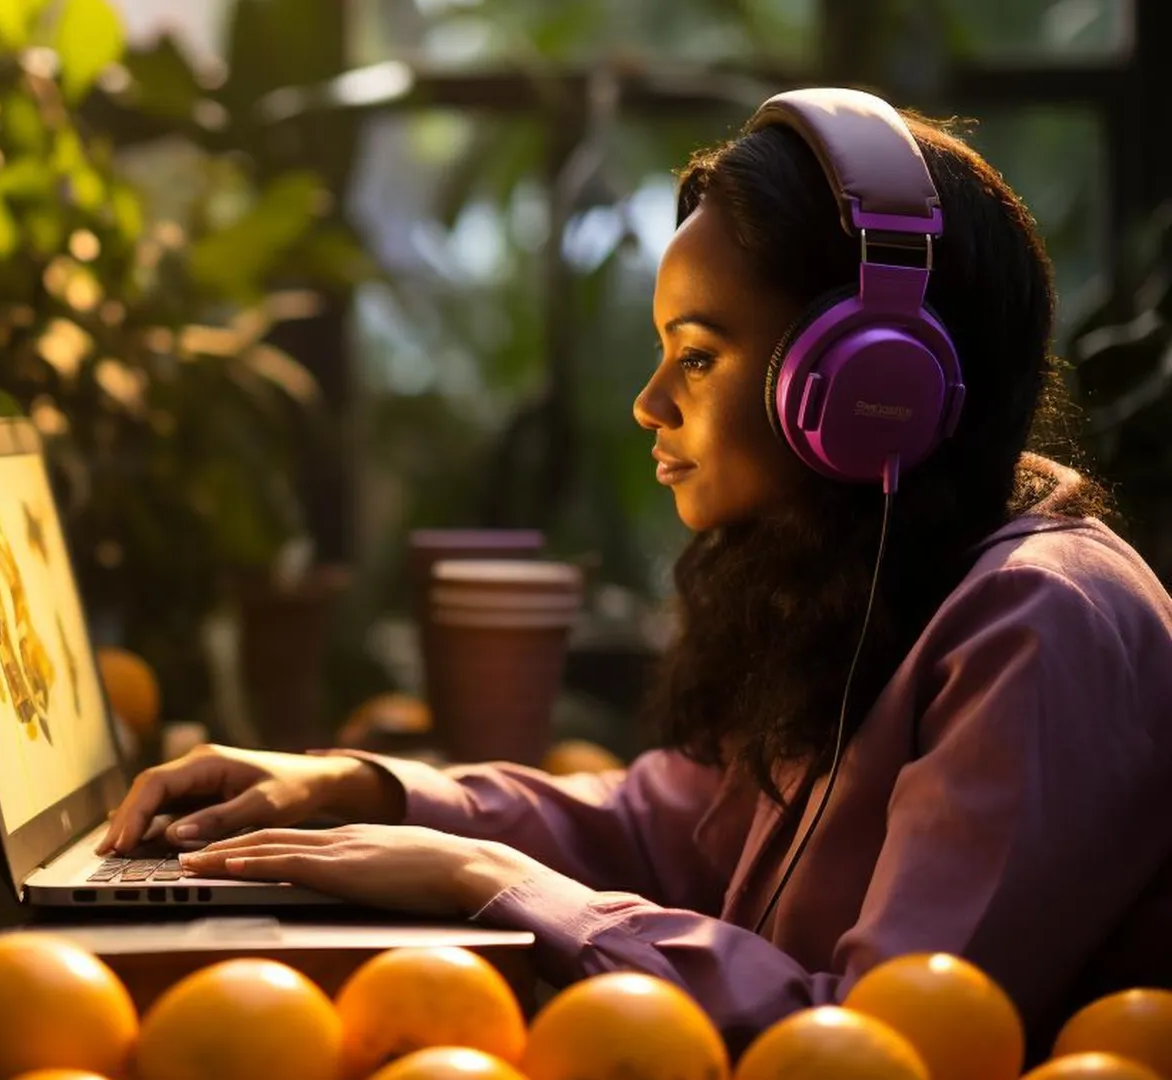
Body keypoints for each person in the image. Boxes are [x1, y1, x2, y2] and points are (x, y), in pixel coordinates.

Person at [99, 87, 1172, 1057]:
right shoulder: (876, 569)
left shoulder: (1045, 623)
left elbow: (872, 1048)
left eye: (697, 355)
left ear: (865, 384)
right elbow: (667, 824)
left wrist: (499, 886)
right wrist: (371, 787)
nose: (650, 403)